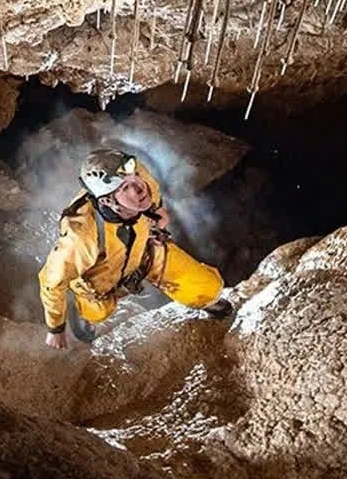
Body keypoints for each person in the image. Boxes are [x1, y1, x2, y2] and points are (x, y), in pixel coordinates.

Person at [39, 148, 233, 349]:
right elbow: (51, 282)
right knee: (98, 312)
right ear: (107, 201)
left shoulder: (136, 179)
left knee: (207, 286)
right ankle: (81, 309)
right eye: (125, 188)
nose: (140, 188)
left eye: (134, 178)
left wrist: (156, 209)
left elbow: (142, 178)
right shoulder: (81, 238)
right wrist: (55, 328)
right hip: (102, 274)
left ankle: (208, 301)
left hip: (143, 248)